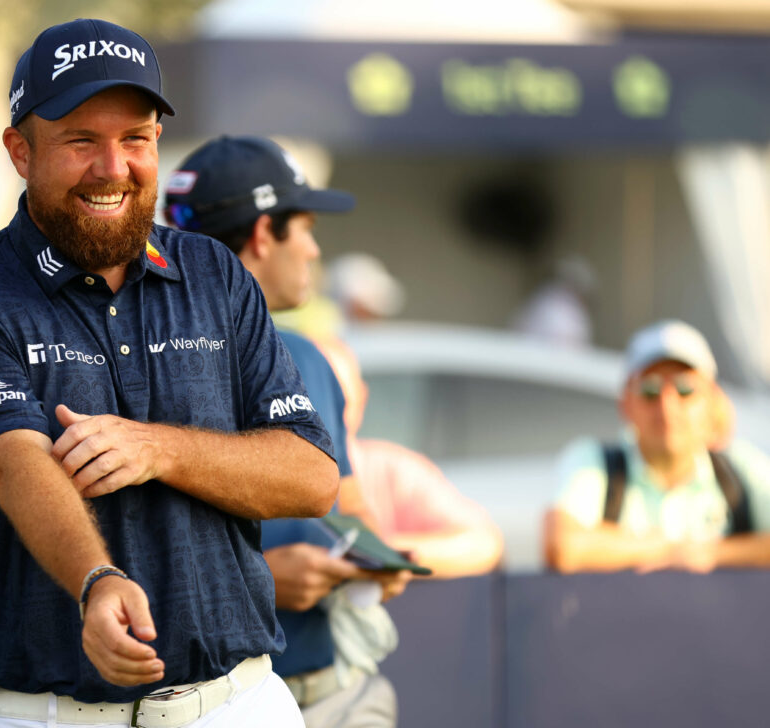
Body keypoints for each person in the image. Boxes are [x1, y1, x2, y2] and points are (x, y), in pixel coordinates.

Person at [0, 19, 339, 728]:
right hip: (35, 713)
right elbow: (13, 463)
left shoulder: (215, 275)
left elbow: (312, 476)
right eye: (81, 141)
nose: (113, 167)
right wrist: (96, 582)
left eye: (134, 139)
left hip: (240, 703)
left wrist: (158, 448)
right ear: (20, 151)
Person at [164, 135, 408, 728]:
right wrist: (262, 581)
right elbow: (107, 565)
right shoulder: (143, 365)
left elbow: (348, 506)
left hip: (334, 692)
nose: (314, 248)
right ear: (262, 236)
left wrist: (376, 558)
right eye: (303, 227)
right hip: (204, 703)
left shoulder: (305, 353)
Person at [544, 319, 770, 573]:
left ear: (711, 401)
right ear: (625, 404)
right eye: (650, 390)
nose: (667, 406)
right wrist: (668, 549)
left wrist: (713, 553)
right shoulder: (596, 463)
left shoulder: (740, 467)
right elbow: (563, 546)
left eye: (685, 389)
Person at [314, 337, 504, 578]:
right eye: (312, 400)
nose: (324, 414)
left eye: (338, 399)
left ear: (361, 399)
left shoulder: (394, 470)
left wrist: (380, 555)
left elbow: (484, 542)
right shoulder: (269, 478)